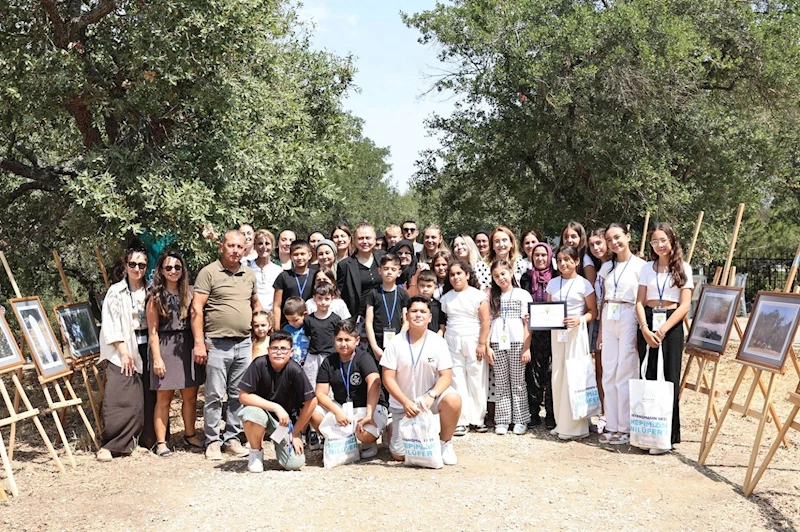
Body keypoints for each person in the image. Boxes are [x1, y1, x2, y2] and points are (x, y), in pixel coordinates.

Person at [191, 230, 261, 460]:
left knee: (237, 394)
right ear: (222, 247)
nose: (235, 250)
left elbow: (254, 303)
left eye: (239, 247)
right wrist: (199, 343)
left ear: (244, 249)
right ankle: (212, 441)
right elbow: (196, 309)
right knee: (213, 394)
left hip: (243, 343)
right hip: (216, 343)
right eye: (231, 245)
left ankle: (232, 438)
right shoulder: (209, 272)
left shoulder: (248, 274)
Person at [381, 296, 462, 465]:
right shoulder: (395, 343)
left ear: (430, 317)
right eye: (414, 311)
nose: (418, 315)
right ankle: (390, 427)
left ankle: (444, 443)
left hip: (429, 400)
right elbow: (387, 377)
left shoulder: (438, 342)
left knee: (453, 399)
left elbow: (446, 376)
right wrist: (405, 402)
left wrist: (432, 395)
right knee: (400, 455)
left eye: (423, 311)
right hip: (404, 405)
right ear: (406, 316)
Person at [635, 223, 693, 454]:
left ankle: (666, 436)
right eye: (654, 241)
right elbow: (639, 301)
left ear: (672, 241)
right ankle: (647, 432)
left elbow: (685, 304)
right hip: (648, 320)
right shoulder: (647, 268)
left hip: (671, 324)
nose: (659, 245)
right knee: (648, 375)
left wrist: (663, 330)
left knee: (669, 377)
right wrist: (645, 328)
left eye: (662, 240)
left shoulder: (683, 268)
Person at [97, 245, 153, 461]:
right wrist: (123, 351)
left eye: (141, 265)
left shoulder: (151, 289)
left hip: (146, 346)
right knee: (120, 397)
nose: (137, 269)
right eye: (133, 264)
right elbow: (109, 324)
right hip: (123, 349)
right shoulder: (115, 292)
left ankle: (141, 441)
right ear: (125, 265)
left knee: (146, 397)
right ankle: (112, 444)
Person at [146, 251, 203, 457]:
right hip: (164, 346)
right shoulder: (155, 297)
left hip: (187, 346)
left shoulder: (190, 292)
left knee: (190, 396)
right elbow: (152, 331)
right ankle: (161, 442)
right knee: (164, 398)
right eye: (168, 267)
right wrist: (157, 358)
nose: (173, 271)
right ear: (161, 270)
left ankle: (190, 434)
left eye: (177, 267)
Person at [238, 330, 317, 472]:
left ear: (291, 352)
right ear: (268, 350)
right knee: (250, 414)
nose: (279, 352)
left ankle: (281, 445)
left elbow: (312, 402)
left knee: (294, 464)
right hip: (261, 413)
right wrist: (276, 407)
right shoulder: (259, 364)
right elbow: (244, 396)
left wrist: (295, 433)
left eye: (283, 349)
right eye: (275, 348)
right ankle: (256, 452)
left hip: (284, 423)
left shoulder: (295, 370)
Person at [310, 319, 388, 460]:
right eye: (339, 339)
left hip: (368, 407)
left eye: (347, 339)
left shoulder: (364, 357)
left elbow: (374, 383)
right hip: (343, 408)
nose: (343, 344)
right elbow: (320, 393)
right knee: (314, 413)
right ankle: (338, 439)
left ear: (357, 340)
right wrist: (337, 411)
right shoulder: (329, 361)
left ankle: (368, 443)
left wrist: (369, 415)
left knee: (364, 434)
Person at [597, 223, 646, 446]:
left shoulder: (641, 266)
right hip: (609, 315)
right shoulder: (606, 267)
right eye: (609, 239)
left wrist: (640, 327)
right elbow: (603, 297)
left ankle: (626, 427)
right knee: (609, 370)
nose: (614, 243)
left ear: (627, 236)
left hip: (628, 314)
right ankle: (612, 424)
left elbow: (642, 299)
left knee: (625, 370)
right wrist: (599, 332)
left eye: (617, 237)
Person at [547, 245, 597, 440]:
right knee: (558, 375)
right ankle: (562, 423)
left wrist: (579, 320)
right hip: (557, 334)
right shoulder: (552, 284)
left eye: (568, 259)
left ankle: (577, 426)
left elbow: (593, 311)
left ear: (576, 261)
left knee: (575, 375)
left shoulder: (584, 284)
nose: (563, 263)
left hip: (577, 333)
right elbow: (548, 309)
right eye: (559, 260)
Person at [440, 260, 491, 435]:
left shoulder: (478, 296)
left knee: (476, 379)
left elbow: (485, 321)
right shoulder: (445, 298)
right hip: (452, 341)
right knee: (457, 379)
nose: (455, 277)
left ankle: (477, 419)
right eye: (452, 274)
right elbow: (444, 323)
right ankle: (460, 420)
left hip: (474, 340)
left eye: (459, 273)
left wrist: (482, 344)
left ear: (467, 275)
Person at [489, 260, 533, 435]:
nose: (501, 278)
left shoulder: (522, 294)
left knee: (518, 382)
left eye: (503, 274)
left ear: (511, 271)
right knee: (501, 383)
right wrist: (487, 346)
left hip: (517, 343)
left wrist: (526, 347)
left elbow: (527, 324)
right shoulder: (492, 296)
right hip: (497, 343)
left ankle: (521, 419)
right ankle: (502, 420)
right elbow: (488, 322)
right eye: (496, 276)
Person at [520, 242, 556, 428]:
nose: (540, 259)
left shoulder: (556, 276)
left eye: (544, 255)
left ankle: (551, 413)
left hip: (553, 332)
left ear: (550, 256)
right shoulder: (526, 278)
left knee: (550, 372)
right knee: (532, 372)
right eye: (537, 255)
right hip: (532, 331)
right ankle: (533, 413)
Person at [588, 227, 612, 430]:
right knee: (600, 369)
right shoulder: (600, 268)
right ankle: (604, 412)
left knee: (608, 369)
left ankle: (611, 413)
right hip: (599, 321)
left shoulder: (614, 266)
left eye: (599, 243)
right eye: (592, 245)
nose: (596, 248)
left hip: (612, 321)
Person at [337, 222, 386, 319]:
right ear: (354, 241)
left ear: (375, 239)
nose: (364, 241)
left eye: (368, 238)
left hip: (383, 314)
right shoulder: (345, 265)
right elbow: (341, 295)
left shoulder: (383, 258)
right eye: (360, 238)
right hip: (358, 319)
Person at [365, 253, 409, 361]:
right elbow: (369, 322)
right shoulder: (373, 293)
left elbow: (406, 321)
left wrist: (399, 341)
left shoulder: (403, 294)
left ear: (399, 273)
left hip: (398, 343)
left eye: (393, 269)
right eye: (386, 268)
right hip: (377, 343)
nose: (389, 272)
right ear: (380, 271)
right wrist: (375, 347)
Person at [303, 284, 343, 389]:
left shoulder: (336, 319)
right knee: (310, 384)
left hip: (330, 356)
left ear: (332, 299)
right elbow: (308, 336)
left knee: (330, 387)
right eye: (320, 298)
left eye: (327, 299)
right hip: (313, 357)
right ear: (314, 298)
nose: (323, 302)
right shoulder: (308, 319)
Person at [272, 239, 316, 328]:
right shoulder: (284, 276)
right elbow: (277, 305)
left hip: (311, 324)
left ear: (310, 255)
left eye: (302, 254)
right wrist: (277, 328)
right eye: (295, 255)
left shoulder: (315, 275)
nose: (299, 257)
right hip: (288, 324)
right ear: (291, 257)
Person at [474, 226, 527, 291]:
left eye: (504, 240)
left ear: (511, 243)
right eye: (497, 241)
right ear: (492, 246)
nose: (501, 244)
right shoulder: (481, 266)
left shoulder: (521, 264)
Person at [248, 229, 283, 311]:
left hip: (271, 313)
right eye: (260, 243)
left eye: (267, 244)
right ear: (254, 246)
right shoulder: (248, 268)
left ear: (272, 246)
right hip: (252, 312)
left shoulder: (278, 270)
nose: (264, 247)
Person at [560, 221, 597, 286]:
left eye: (573, 237)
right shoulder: (559, 258)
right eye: (566, 237)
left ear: (581, 238)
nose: (569, 240)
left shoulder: (585, 259)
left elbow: (591, 285)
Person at [282, 297, 309, 367]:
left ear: (305, 314)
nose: (292, 323)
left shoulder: (309, 327)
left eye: (295, 320)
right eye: (289, 320)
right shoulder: (286, 329)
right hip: (291, 365)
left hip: (307, 364)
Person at [417, 270, 446, 336]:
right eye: (422, 285)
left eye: (429, 286)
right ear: (417, 286)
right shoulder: (413, 304)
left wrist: (436, 340)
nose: (425, 289)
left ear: (435, 288)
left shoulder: (439, 306)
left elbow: (442, 327)